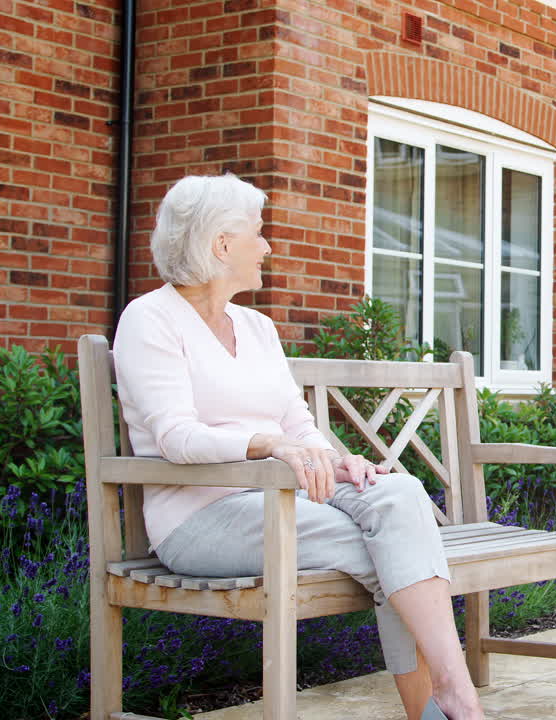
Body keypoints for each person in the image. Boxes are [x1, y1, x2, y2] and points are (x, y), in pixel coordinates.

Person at [113, 173, 484, 720]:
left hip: (285, 501)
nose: (268, 246)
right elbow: (175, 436)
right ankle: (449, 707)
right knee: (399, 548)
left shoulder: (258, 327)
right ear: (222, 244)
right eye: (258, 234)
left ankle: (453, 698)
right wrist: (266, 445)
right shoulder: (150, 320)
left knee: (399, 495)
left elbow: (299, 424)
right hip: (201, 517)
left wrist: (337, 460)